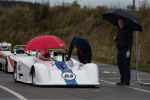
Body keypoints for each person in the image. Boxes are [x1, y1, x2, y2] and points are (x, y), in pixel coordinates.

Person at [114, 18, 133, 86]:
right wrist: (116, 38)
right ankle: (122, 80)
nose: (120, 23)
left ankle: (127, 81)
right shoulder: (118, 30)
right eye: (119, 22)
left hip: (125, 50)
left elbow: (131, 41)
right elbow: (118, 38)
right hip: (119, 50)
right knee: (120, 65)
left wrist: (129, 50)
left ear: (124, 22)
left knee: (126, 65)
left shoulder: (128, 30)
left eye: (121, 22)